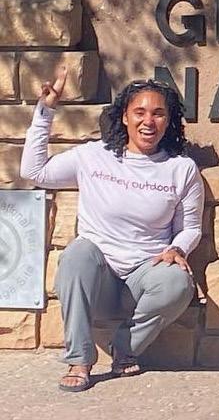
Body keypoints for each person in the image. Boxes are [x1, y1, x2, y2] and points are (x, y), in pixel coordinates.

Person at [20, 69, 202, 393]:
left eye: (158, 113)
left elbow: (190, 228)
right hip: (98, 278)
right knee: (76, 255)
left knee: (177, 282)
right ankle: (79, 359)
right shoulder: (94, 156)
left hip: (143, 279)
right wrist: (45, 111)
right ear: (124, 117)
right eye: (140, 112)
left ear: (169, 120)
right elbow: (34, 172)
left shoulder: (181, 169)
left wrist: (177, 249)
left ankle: (125, 348)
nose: (149, 121)